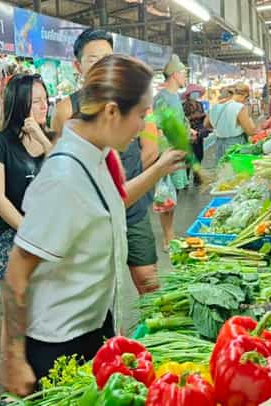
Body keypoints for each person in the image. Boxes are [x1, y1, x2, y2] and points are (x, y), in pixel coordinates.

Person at [0, 54, 187, 396]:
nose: (144, 128)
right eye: (141, 116)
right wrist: (14, 358)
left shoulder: (99, 157)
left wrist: (159, 168)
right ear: (112, 112)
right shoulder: (63, 177)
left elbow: (113, 203)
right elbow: (16, 274)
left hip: (95, 326)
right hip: (57, 344)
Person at [53, 28, 161, 300]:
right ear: (78, 66)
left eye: (108, 57)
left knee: (148, 281)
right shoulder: (66, 109)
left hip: (132, 209)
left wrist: (123, 189)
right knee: (99, 295)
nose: (102, 64)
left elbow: (151, 149)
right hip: (90, 218)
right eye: (93, 59)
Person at [0, 74, 52, 356]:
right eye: (36, 102)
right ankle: (12, 384)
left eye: (45, 100)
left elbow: (68, 175)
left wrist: (43, 140)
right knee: (16, 317)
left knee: (47, 314)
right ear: (19, 104)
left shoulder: (51, 141)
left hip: (50, 237)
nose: (43, 107)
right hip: (15, 238)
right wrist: (29, 231)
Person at [153, 55, 191, 250]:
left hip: (176, 151)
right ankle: (167, 238)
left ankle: (171, 236)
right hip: (167, 153)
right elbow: (157, 128)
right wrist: (164, 155)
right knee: (165, 196)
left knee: (172, 196)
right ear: (175, 75)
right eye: (184, 73)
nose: (186, 77)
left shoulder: (175, 97)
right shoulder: (161, 98)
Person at [205, 83, 257, 165]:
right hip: (235, 144)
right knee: (235, 171)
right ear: (245, 95)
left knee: (221, 169)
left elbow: (206, 125)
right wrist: (249, 117)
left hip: (218, 143)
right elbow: (250, 131)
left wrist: (221, 128)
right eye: (246, 98)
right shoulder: (239, 107)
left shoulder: (215, 106)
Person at [182, 84, 208, 167]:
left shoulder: (199, 104)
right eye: (194, 92)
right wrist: (193, 117)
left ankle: (197, 178)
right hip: (188, 133)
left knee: (199, 155)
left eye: (197, 92)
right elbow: (182, 119)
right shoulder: (183, 105)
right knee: (188, 157)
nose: (196, 94)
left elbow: (203, 118)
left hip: (199, 133)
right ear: (189, 94)